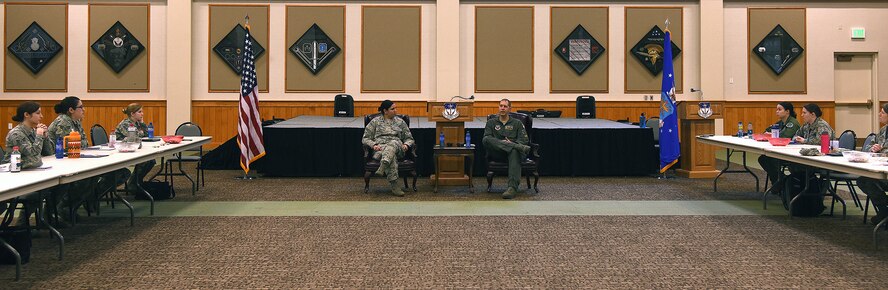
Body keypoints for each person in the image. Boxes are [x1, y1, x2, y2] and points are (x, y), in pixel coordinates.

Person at [2, 101, 53, 226]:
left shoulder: (32, 131)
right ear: (26, 115)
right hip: (14, 177)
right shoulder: (17, 134)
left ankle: (33, 221)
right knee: (40, 190)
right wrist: (39, 136)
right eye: (38, 113)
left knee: (54, 187)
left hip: (29, 172)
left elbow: (49, 153)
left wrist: (45, 136)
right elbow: (34, 156)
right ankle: (22, 223)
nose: (41, 116)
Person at [361, 100, 415, 196]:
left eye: (396, 108)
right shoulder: (375, 122)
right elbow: (365, 138)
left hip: (398, 149)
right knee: (391, 155)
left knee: (393, 142)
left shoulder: (400, 122)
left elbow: (409, 138)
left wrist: (406, 145)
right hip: (380, 150)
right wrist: (374, 145)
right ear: (385, 111)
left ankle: (383, 165)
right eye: (392, 109)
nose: (396, 110)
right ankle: (395, 186)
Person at [483, 99, 530, 199]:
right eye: (501, 106)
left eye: (505, 106)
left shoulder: (517, 123)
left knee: (514, 151)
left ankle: (512, 188)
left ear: (509, 109)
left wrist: (513, 144)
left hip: (513, 154)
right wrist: (508, 144)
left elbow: (524, 140)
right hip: (498, 153)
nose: (502, 108)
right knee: (486, 139)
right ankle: (514, 146)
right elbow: (487, 139)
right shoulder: (491, 122)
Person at [855, 103, 888, 225]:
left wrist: (881, 150)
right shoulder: (884, 130)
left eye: (882, 112)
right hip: (881, 167)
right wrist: (873, 148)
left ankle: (884, 211)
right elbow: (869, 145)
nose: (879, 114)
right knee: (862, 180)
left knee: (869, 181)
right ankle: (884, 210)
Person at [759, 102, 801, 195]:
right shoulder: (781, 122)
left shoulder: (792, 123)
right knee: (764, 158)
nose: (777, 111)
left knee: (768, 159)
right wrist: (770, 134)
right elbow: (766, 131)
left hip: (791, 153)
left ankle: (780, 182)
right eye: (776, 109)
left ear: (787, 111)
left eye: (779, 109)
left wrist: (771, 135)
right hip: (781, 150)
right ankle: (780, 181)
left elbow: (784, 136)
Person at [115, 103, 156, 192]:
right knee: (146, 161)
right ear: (132, 114)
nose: (142, 114)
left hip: (133, 150)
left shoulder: (137, 123)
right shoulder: (125, 124)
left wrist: (142, 123)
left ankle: (136, 182)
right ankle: (133, 184)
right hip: (121, 151)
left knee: (150, 160)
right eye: (139, 112)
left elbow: (147, 136)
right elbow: (134, 140)